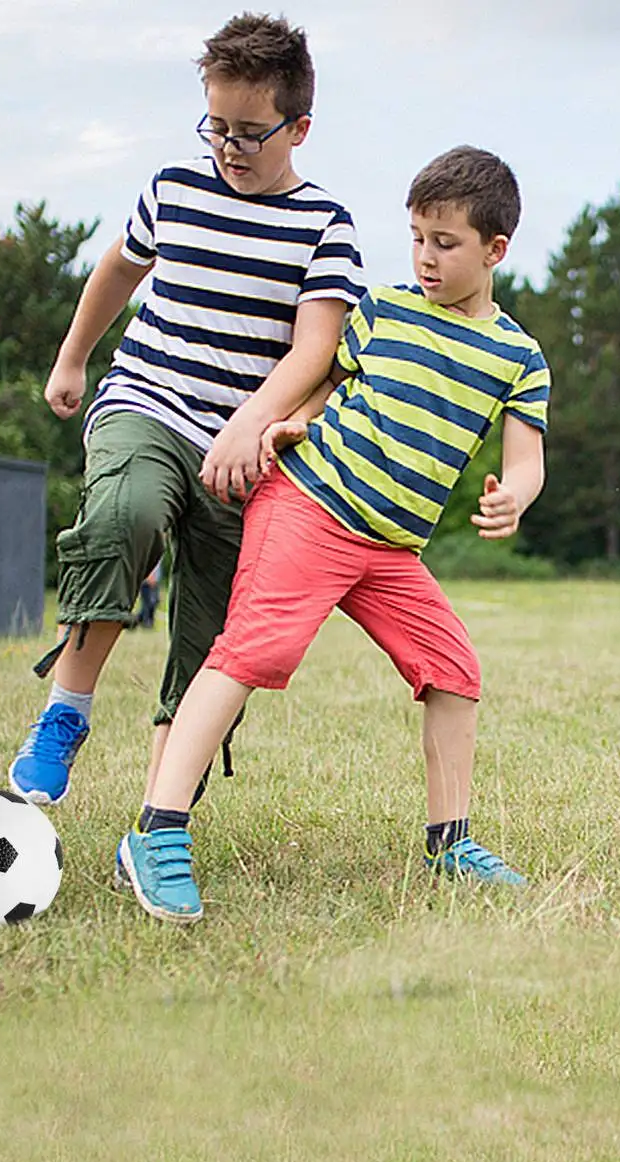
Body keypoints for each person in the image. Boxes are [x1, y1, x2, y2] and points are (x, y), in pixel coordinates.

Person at [115, 145, 549, 923]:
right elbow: (322, 385)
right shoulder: (380, 311)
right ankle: (157, 829)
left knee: (453, 669)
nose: (425, 256)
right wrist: (284, 426)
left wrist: (512, 497)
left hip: (390, 548)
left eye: (445, 244)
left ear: (496, 250)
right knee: (256, 650)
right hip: (311, 504)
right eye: (416, 236)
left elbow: (527, 458)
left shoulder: (518, 356)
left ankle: (449, 843)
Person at [7, 12, 364, 811]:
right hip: (148, 401)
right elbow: (118, 269)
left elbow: (317, 351)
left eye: (250, 131)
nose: (229, 148)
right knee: (122, 515)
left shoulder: (326, 227)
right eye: (217, 127)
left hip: (245, 449)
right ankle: (67, 711)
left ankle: (156, 818)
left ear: (299, 127)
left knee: (211, 632)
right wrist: (73, 357)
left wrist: (250, 426)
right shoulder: (174, 186)